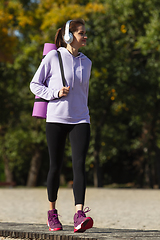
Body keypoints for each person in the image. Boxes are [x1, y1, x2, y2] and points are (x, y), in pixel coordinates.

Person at [30, 19, 93, 233]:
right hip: (56, 118)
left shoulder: (87, 62)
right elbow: (35, 83)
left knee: (79, 165)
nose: (85, 36)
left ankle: (79, 214)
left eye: (85, 33)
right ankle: (52, 214)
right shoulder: (53, 56)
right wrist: (54, 94)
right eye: (81, 33)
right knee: (55, 166)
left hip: (81, 119)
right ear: (69, 36)